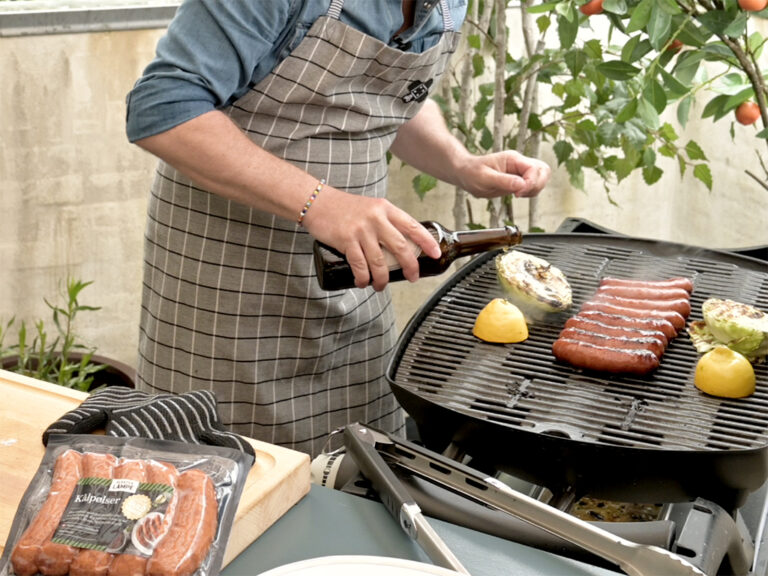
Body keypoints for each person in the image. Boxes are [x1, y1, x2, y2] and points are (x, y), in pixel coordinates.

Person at [126, 0, 551, 458]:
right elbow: (163, 108)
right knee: (230, 490)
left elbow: (389, 95)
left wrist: (460, 163)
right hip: (229, 295)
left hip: (357, 295)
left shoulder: (446, 5)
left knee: (359, 480)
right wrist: (320, 203)